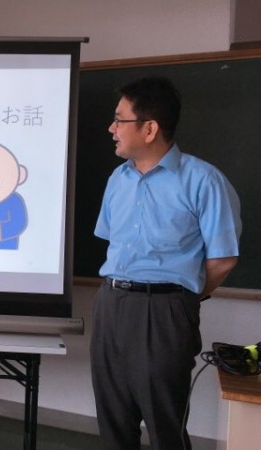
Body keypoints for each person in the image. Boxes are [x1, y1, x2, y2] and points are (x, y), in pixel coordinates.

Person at [90, 77, 241, 450]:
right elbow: (112, 242)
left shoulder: (203, 181)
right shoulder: (118, 179)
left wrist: (181, 297)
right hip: (111, 304)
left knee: (164, 425)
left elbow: (223, 258)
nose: (111, 129)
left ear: (149, 128)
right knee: (113, 421)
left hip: (165, 311)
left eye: (119, 120)